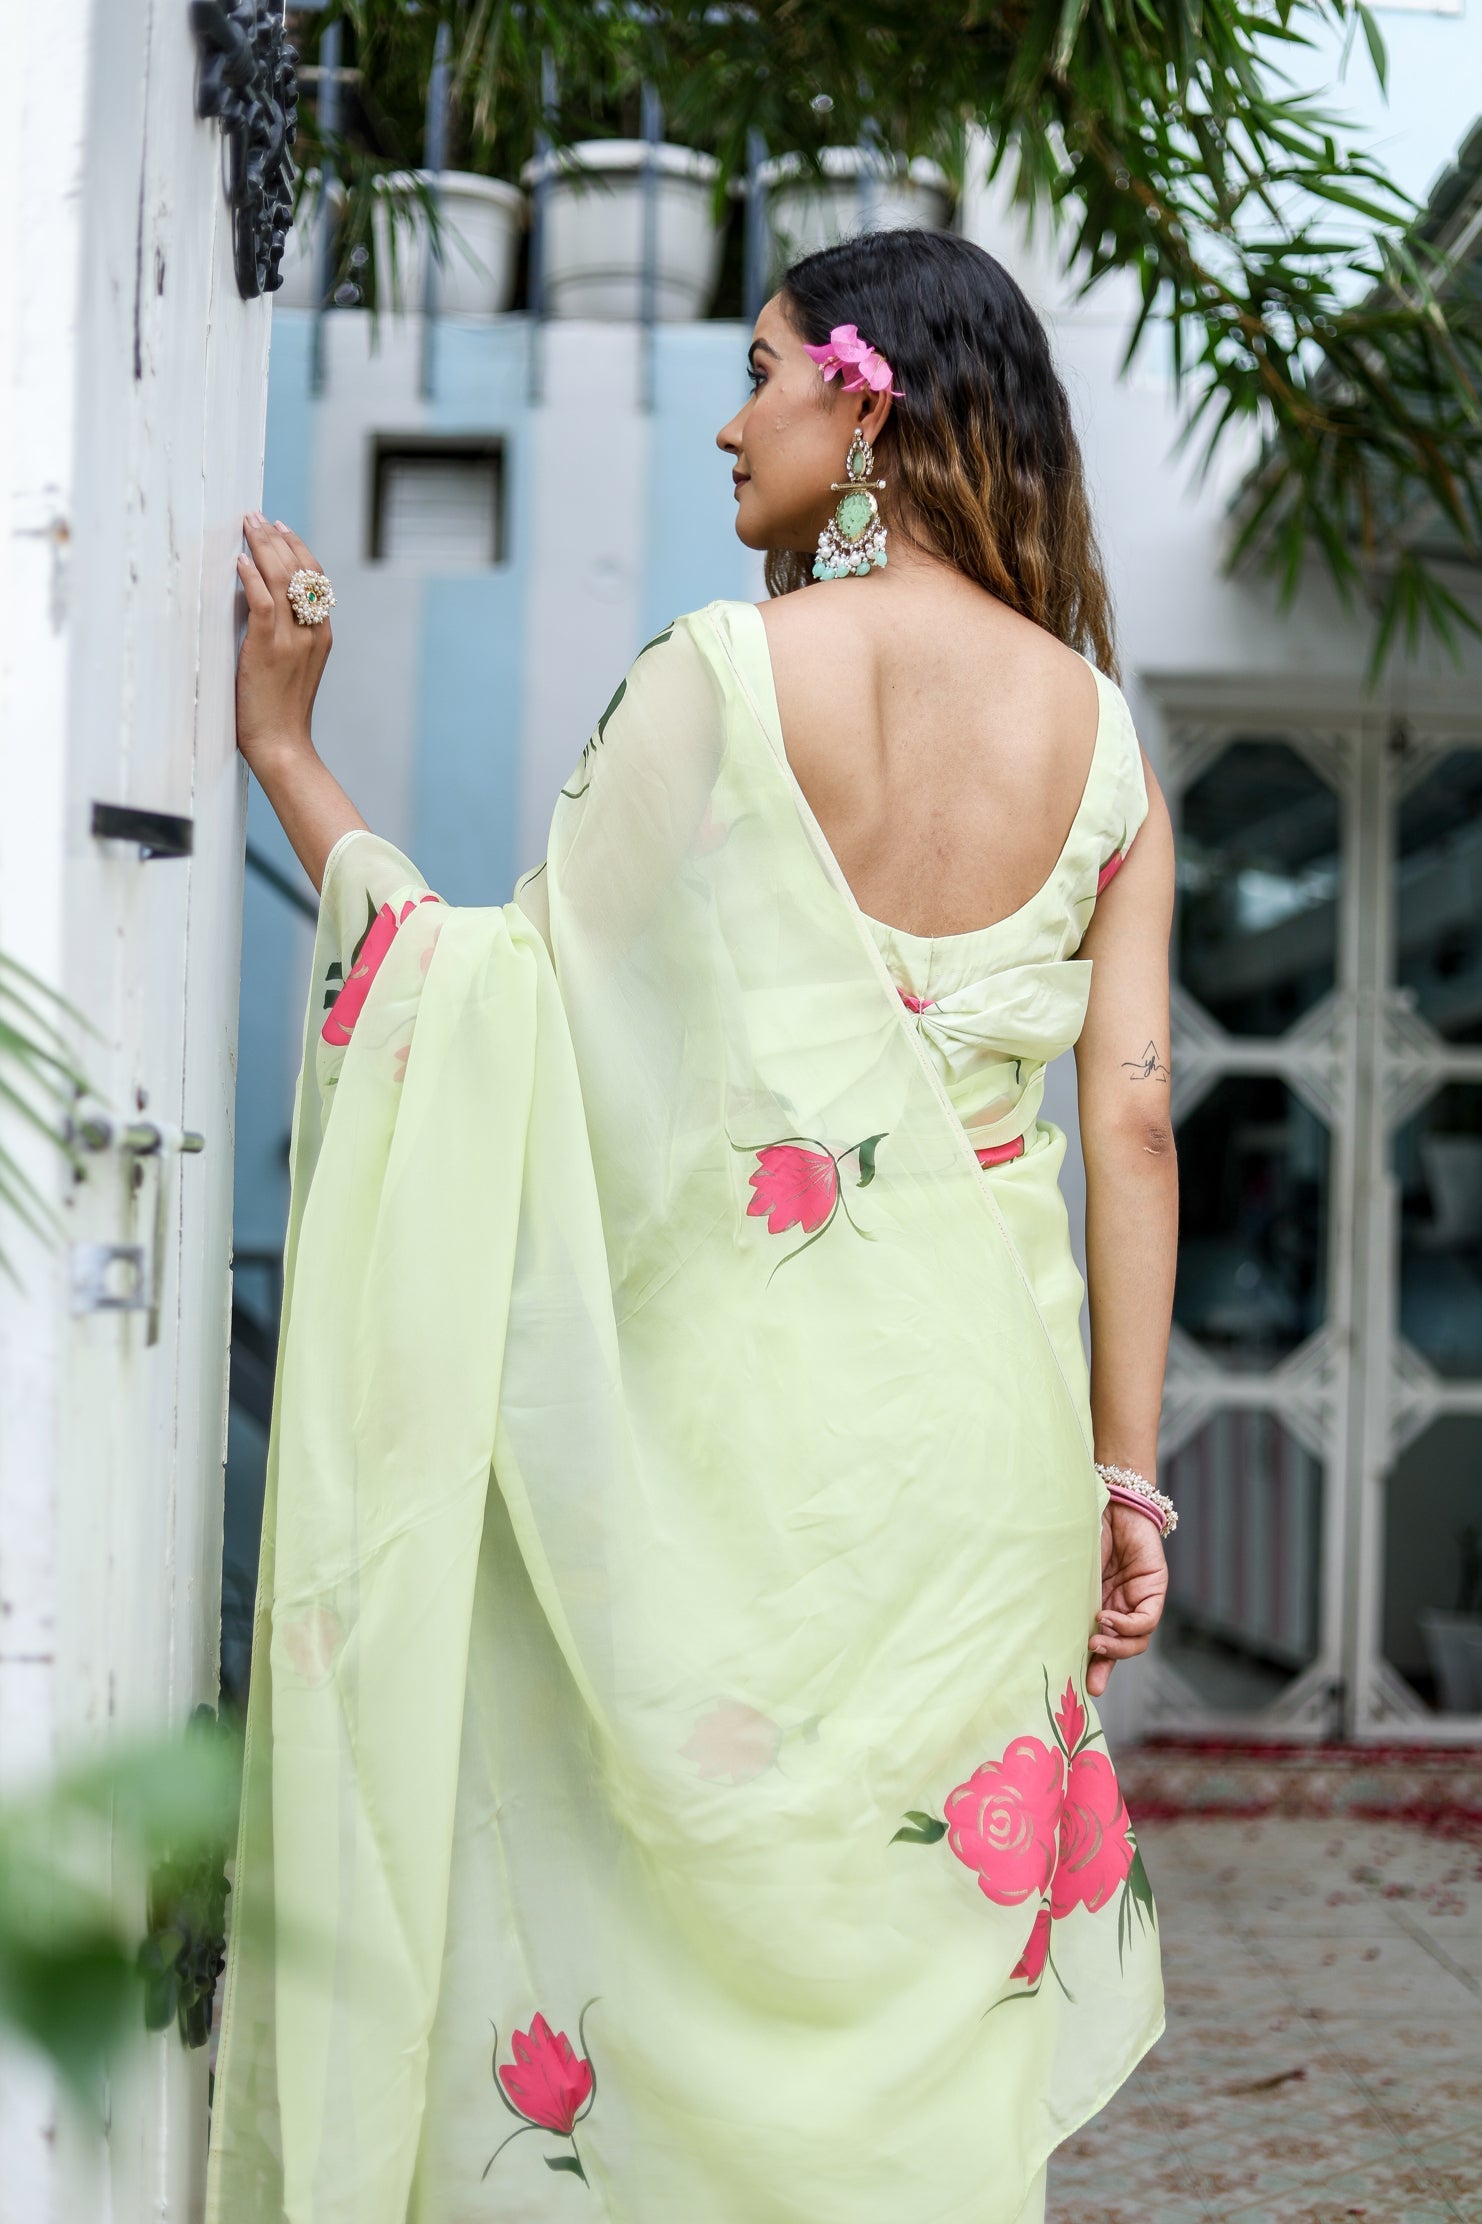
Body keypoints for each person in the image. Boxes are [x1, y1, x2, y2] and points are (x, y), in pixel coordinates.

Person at [208, 229, 1176, 2224]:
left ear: (864, 398)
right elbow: (1137, 1117)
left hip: (722, 1439)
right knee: (913, 1959)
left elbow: (495, 1011)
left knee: (652, 1908)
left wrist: (290, 755)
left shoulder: (724, 678)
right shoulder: (1104, 741)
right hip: (980, 1452)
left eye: (758, 375)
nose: (726, 427)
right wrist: (1129, 1481)